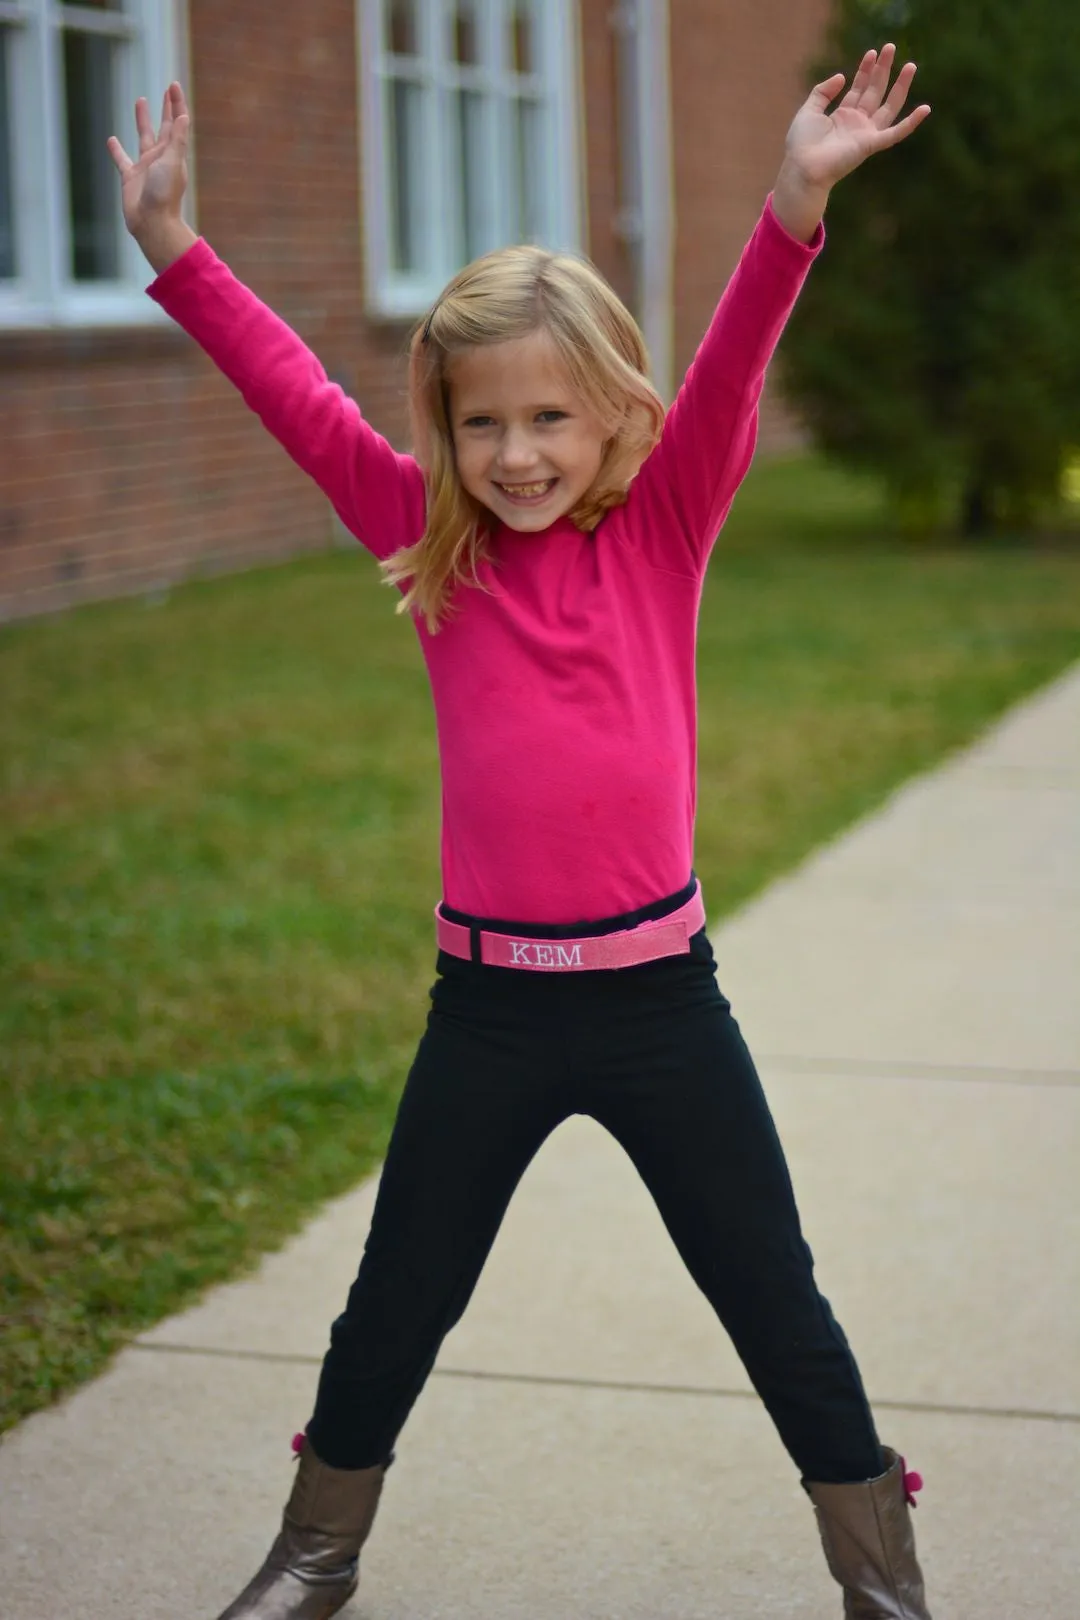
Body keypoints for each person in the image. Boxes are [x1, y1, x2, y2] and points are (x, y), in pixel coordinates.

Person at [108, 43, 933, 1620]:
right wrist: (172, 248)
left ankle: (880, 1571)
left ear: (617, 410)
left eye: (552, 416)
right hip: (485, 1014)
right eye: (483, 423)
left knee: (775, 1297)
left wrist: (790, 201)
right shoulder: (434, 540)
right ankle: (316, 1553)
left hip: (658, 1009)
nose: (519, 454)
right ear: (446, 429)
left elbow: (741, 356)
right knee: (392, 1304)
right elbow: (296, 393)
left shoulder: (672, 517)